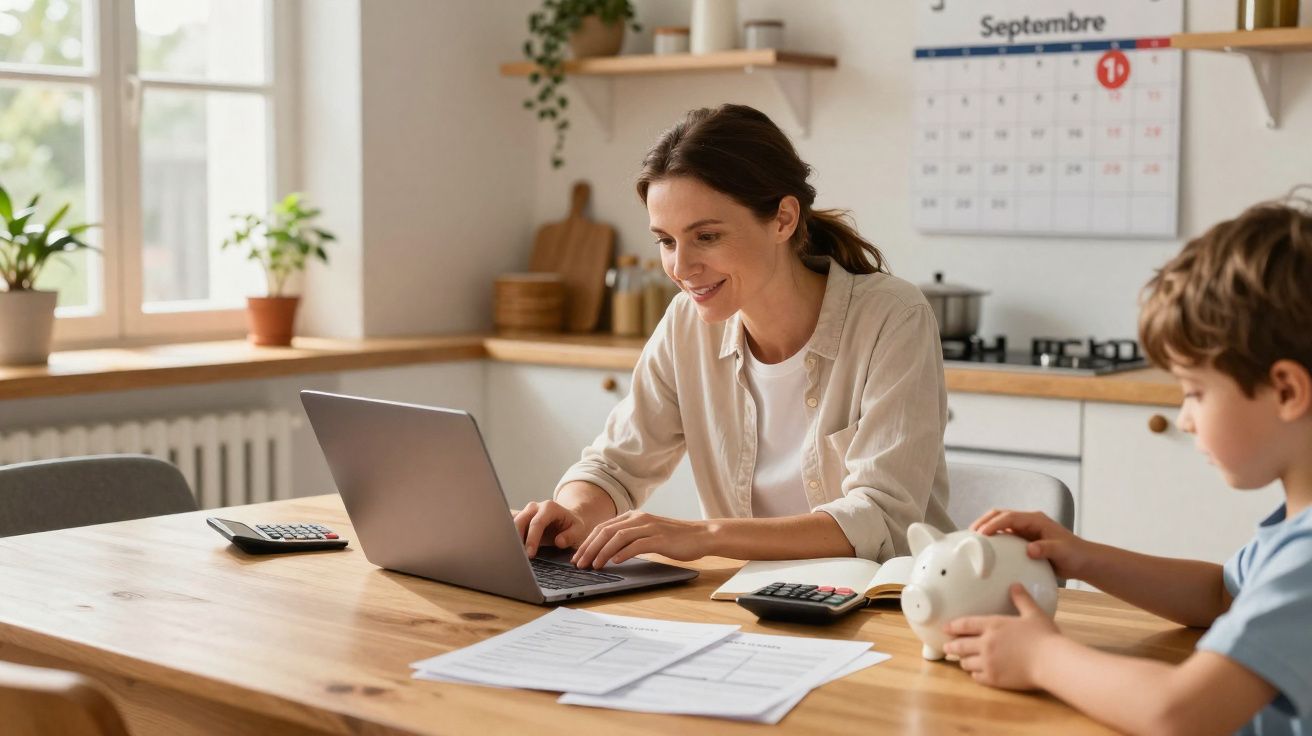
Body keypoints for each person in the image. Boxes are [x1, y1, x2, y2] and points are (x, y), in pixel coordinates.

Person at [514, 104, 953, 569]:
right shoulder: (686, 324)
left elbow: (881, 518)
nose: (681, 269)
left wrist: (704, 536)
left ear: (783, 219)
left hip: (887, 609)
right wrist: (574, 514)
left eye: (706, 237)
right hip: (749, 607)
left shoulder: (892, 317)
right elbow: (615, 466)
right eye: (666, 241)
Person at [943, 197, 1312, 735]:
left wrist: (1043, 658)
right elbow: (1220, 594)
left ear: (1285, 390)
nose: (1185, 419)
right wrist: (1082, 557)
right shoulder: (1295, 531)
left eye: (1195, 393)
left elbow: (1177, 713)